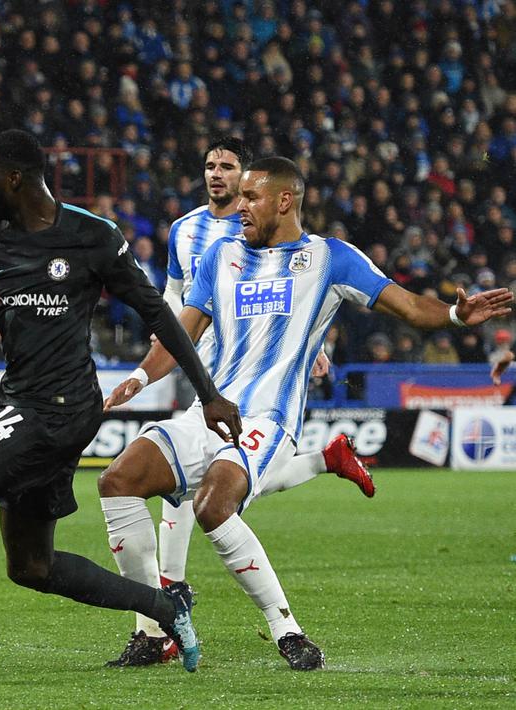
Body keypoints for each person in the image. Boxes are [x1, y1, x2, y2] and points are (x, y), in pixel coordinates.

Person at [98, 157, 512, 671]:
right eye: (240, 197)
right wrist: (137, 379)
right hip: (209, 409)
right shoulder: (219, 256)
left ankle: (285, 629)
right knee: (118, 479)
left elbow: (406, 306)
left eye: (251, 198)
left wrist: (454, 315)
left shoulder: (329, 259)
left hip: (267, 419)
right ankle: (159, 620)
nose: (240, 208)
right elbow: (182, 337)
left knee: (212, 506)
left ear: (284, 201)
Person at [0, 129, 242, 681]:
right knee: (31, 567)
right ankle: (165, 607)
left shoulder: (92, 235)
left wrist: (208, 395)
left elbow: (158, 315)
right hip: (23, 401)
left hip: (61, 407)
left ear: (13, 178)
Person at [110, 137, 376, 667]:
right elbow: (174, 300)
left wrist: (313, 343)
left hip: (256, 379)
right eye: (209, 165)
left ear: (249, 178)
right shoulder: (187, 232)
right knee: (183, 482)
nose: (217, 174)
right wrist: (150, 364)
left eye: (228, 167)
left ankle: (170, 603)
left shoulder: (271, 236)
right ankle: (162, 612)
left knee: (214, 488)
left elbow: (293, 298)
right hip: (201, 365)